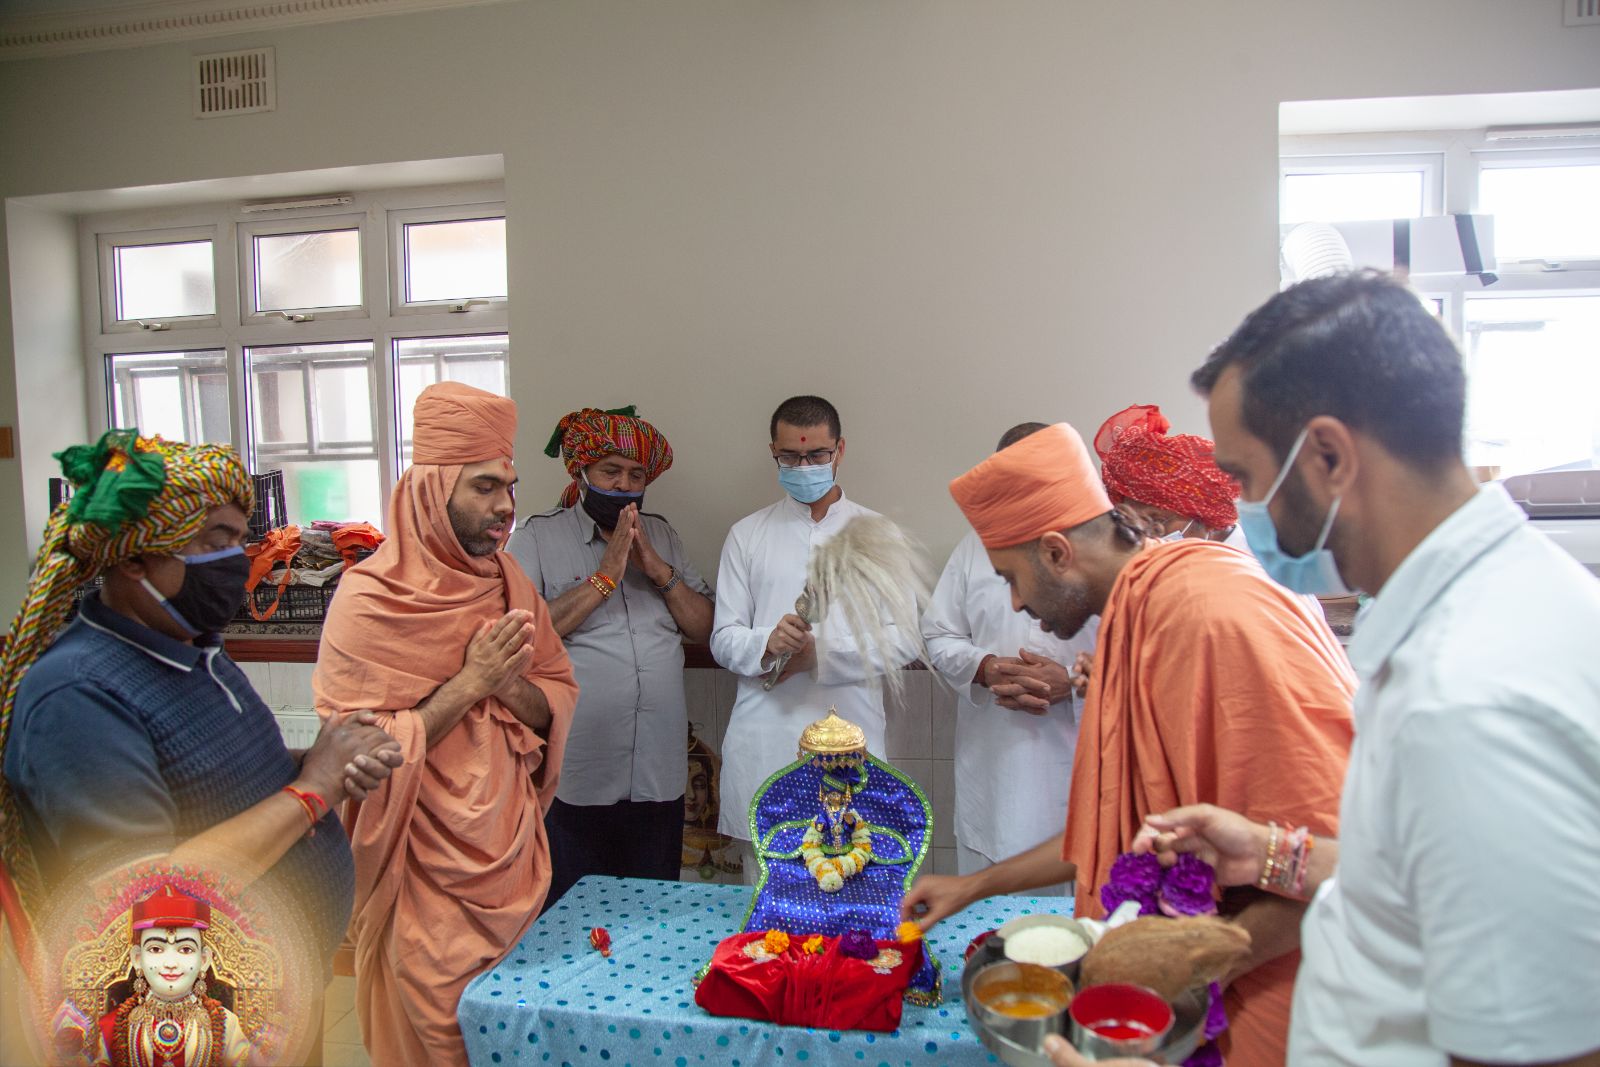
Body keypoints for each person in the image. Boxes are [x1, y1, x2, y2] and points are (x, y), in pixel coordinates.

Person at [1133, 271, 1600, 1067]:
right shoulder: (1500, 600)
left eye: (1244, 479)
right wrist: (1274, 853)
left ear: (1327, 455)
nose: (1244, 511)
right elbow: (1434, 881)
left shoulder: (1465, 700)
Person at [902, 422, 1355, 1067]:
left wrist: (1194, 970)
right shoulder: (1131, 617)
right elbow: (1117, 832)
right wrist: (975, 886)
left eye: (1011, 577)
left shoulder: (1210, 610)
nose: (1014, 602)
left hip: (1274, 1010)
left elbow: (1342, 862)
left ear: (1058, 552)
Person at [0, 431, 400, 968]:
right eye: (215, 542)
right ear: (136, 558)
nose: (237, 561)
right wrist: (313, 789)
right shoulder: (79, 695)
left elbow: (219, 783)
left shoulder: (191, 647)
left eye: (239, 541)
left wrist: (324, 760)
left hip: (270, 997)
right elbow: (144, 899)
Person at [313, 382, 579, 1067]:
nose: (505, 506)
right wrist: (469, 684)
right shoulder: (370, 599)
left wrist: (505, 684)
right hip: (418, 874)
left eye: (510, 486)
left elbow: (555, 697)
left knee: (511, 1036)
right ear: (433, 488)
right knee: (441, 1039)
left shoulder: (510, 583)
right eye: (485, 486)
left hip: (510, 862)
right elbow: (354, 751)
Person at [509, 405, 713, 905]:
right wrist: (606, 576)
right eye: (610, 472)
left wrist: (659, 571)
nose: (624, 485)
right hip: (577, 773)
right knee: (573, 918)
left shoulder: (662, 534)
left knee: (652, 918)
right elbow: (523, 636)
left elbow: (704, 627)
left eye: (636, 475)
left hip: (658, 774)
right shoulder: (536, 538)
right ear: (581, 472)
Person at [709, 395, 911, 880]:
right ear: (773, 453)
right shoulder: (746, 534)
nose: (805, 466)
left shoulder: (877, 534)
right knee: (768, 901)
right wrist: (768, 645)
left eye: (816, 455)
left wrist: (823, 655)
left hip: (852, 741)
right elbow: (722, 637)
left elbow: (902, 639)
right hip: (767, 740)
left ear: (839, 451)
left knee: (854, 894)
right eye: (791, 456)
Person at [921, 422, 1097, 888]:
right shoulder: (973, 548)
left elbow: (1145, 671)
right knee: (985, 932)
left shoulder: (1100, 550)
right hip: (992, 774)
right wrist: (985, 668)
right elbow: (938, 634)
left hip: (1077, 773)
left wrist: (1073, 687)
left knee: (1066, 935)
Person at [1093, 403, 1239, 543]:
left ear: (1208, 514)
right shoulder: (1149, 564)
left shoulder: (1257, 561)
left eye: (1157, 520)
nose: (1148, 537)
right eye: (1133, 524)